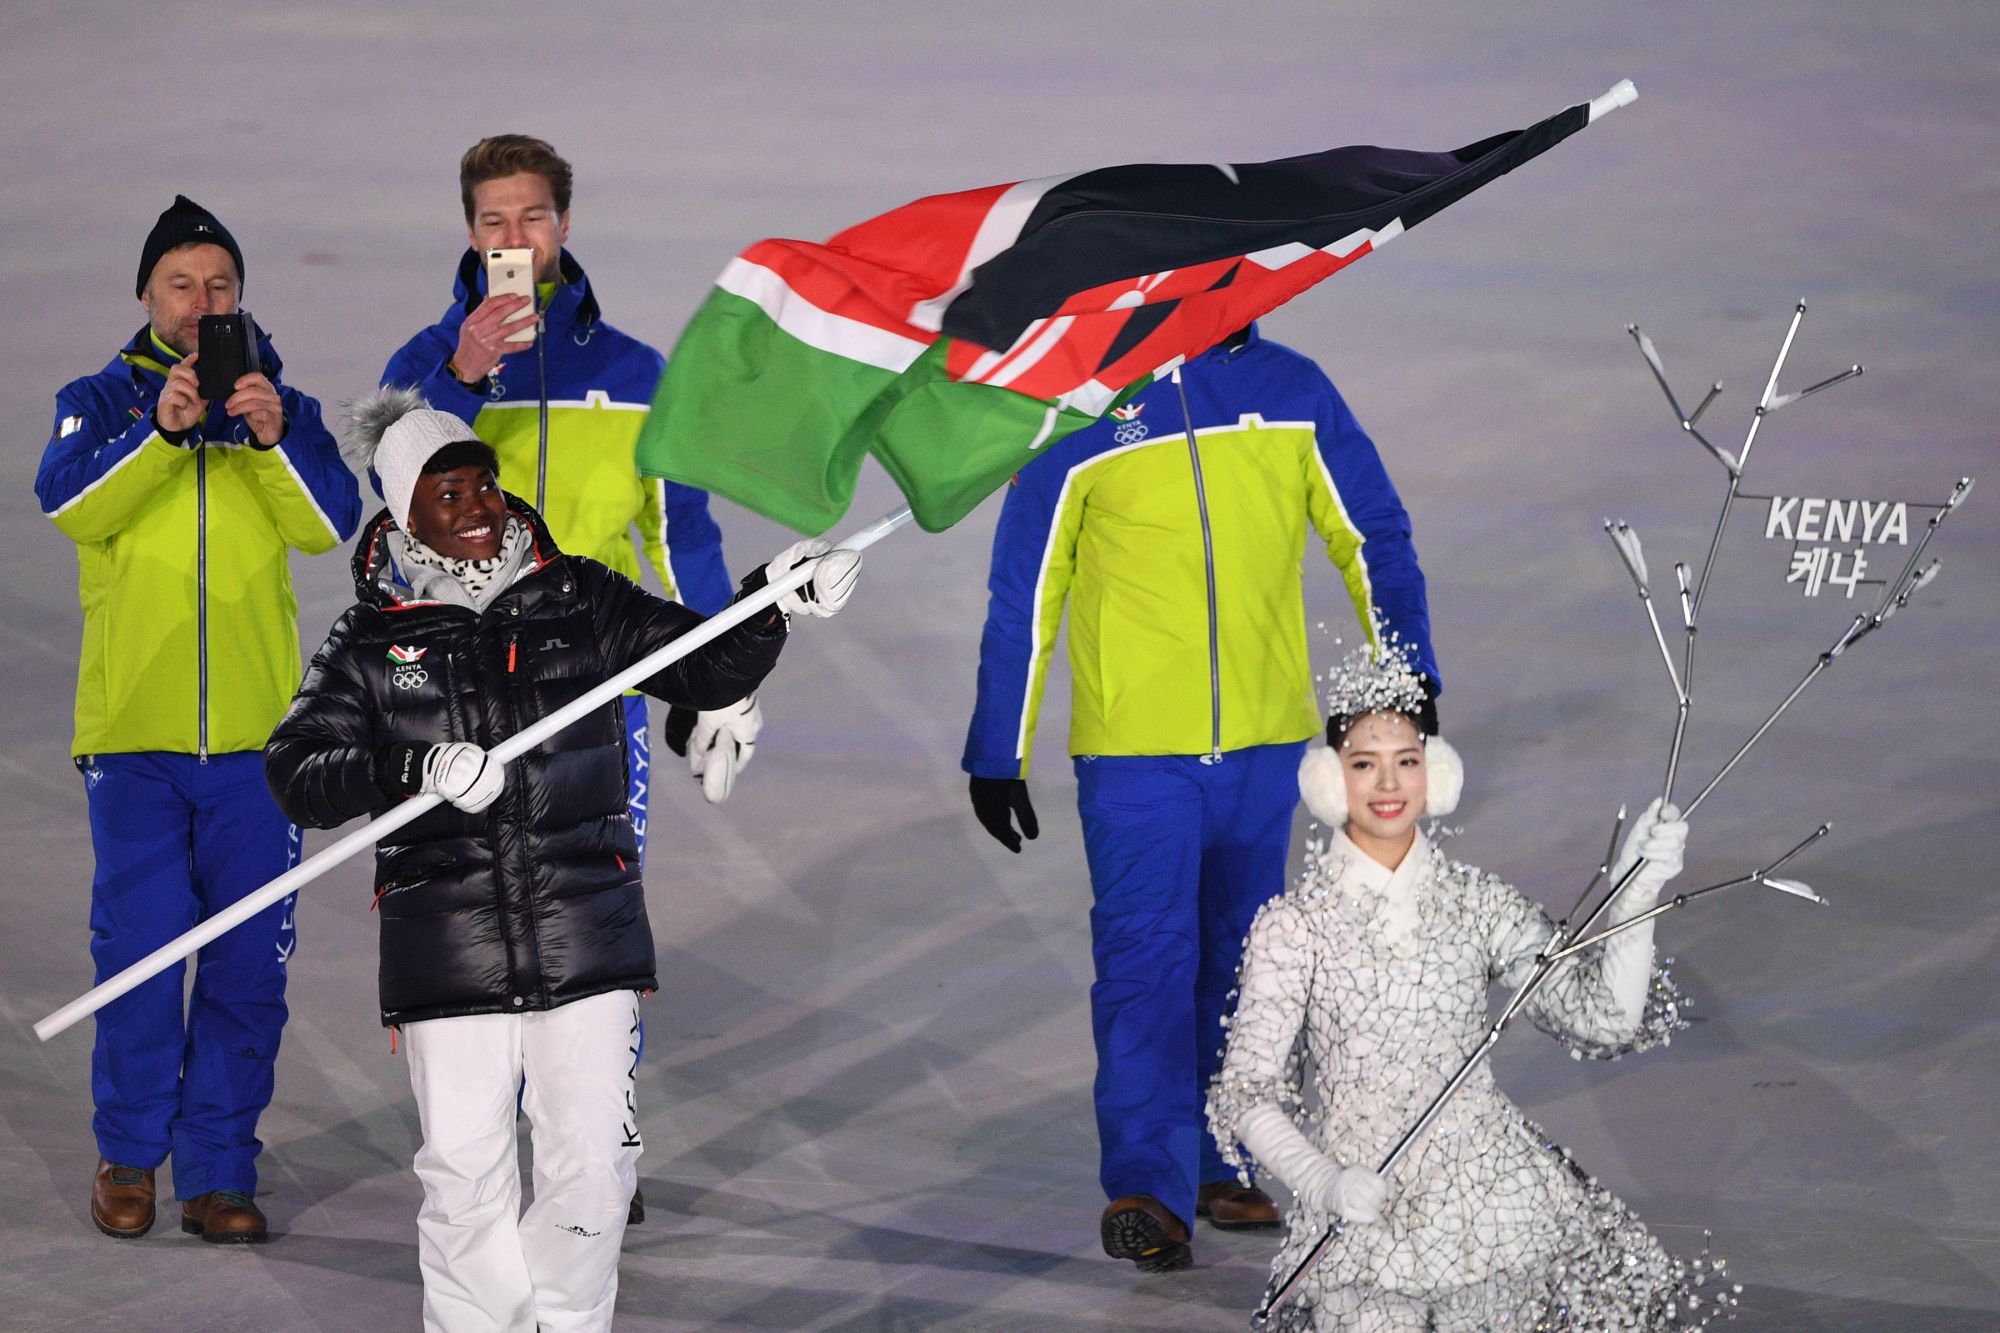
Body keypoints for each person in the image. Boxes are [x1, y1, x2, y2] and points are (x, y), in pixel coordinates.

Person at [264, 389, 859, 1332]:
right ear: (402, 512)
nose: (475, 507)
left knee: (592, 1166)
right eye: (446, 493)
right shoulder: (371, 641)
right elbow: (297, 772)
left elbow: (698, 664)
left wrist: (774, 602)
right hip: (446, 950)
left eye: (483, 486)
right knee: (465, 1175)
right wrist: (413, 767)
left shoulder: (577, 594)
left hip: (588, 929)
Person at [961, 325, 1439, 1270]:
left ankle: (1228, 1155)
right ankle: (1148, 1184)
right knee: (1145, 959)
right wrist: (998, 747)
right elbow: (1029, 585)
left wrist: (1405, 667)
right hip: (1138, 755)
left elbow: (1369, 529)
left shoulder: (1293, 388)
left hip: (1264, 746)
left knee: (1249, 963)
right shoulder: (1081, 406)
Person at [1205, 640, 1719, 1330]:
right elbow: (1245, 1093)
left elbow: (1603, 1018)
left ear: (1435, 775)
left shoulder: (1478, 904)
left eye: (1407, 761)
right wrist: (1321, 1180)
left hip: (1494, 1209)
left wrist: (1636, 894)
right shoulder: (1294, 927)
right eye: (1365, 763)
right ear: (1330, 780)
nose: (1388, 784)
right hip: (1365, 1212)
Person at [34, 195, 361, 1243]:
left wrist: (267, 438)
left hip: (262, 749)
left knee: (246, 964)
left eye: (219, 286)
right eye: (181, 283)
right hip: (132, 738)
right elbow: (70, 505)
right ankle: (128, 1157)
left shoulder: (281, 406)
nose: (200, 302)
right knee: (137, 954)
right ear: (145, 294)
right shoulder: (94, 399)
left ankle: (219, 1169)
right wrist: (162, 430)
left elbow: (328, 531)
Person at [381, 133, 756, 857]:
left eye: (534, 217)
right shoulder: (425, 362)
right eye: (495, 222)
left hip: (598, 684)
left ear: (564, 224)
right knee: (471, 935)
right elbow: (387, 490)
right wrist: (461, 375)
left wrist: (718, 669)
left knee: (602, 920)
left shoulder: (636, 373)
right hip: (459, 694)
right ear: (470, 232)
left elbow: (680, 533)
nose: (515, 238)